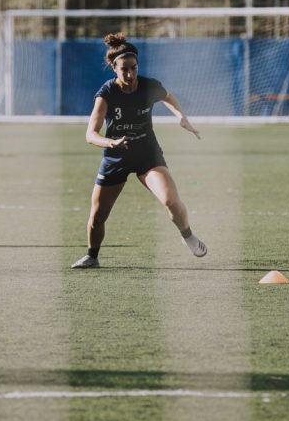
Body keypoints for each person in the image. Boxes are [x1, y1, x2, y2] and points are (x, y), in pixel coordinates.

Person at [71, 33, 207, 269]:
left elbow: (169, 97)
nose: (130, 74)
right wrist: (110, 143)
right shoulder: (106, 94)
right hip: (115, 157)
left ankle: (187, 236)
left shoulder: (148, 86)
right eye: (124, 69)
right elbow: (90, 134)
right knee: (97, 216)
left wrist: (181, 117)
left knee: (171, 201)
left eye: (133, 68)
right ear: (114, 68)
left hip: (147, 155)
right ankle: (92, 256)